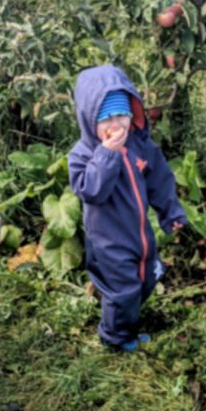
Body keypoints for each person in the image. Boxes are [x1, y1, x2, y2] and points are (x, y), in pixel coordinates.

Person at [68, 64, 186, 352]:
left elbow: (160, 179)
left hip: (140, 234)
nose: (116, 126)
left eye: (122, 115)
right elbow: (90, 191)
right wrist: (106, 156)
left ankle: (126, 324)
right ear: (88, 120)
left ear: (133, 115)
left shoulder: (139, 145)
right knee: (123, 291)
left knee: (146, 280)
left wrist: (171, 213)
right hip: (108, 241)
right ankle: (115, 338)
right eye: (106, 118)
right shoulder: (82, 154)